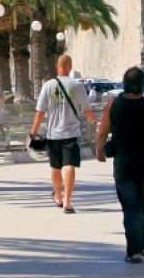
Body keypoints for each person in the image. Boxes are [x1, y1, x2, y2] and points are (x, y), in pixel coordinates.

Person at [97, 67, 144, 263]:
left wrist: (99, 150)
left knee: (130, 207)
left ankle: (134, 251)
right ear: (143, 86)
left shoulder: (114, 104)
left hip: (124, 165)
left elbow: (102, 132)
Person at [30, 54, 96, 213]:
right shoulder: (77, 86)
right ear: (70, 67)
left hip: (53, 135)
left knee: (55, 167)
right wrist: (95, 121)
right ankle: (67, 200)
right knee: (70, 166)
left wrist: (33, 132)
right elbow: (87, 111)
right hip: (71, 134)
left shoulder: (48, 86)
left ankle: (58, 196)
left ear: (57, 67)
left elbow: (40, 113)